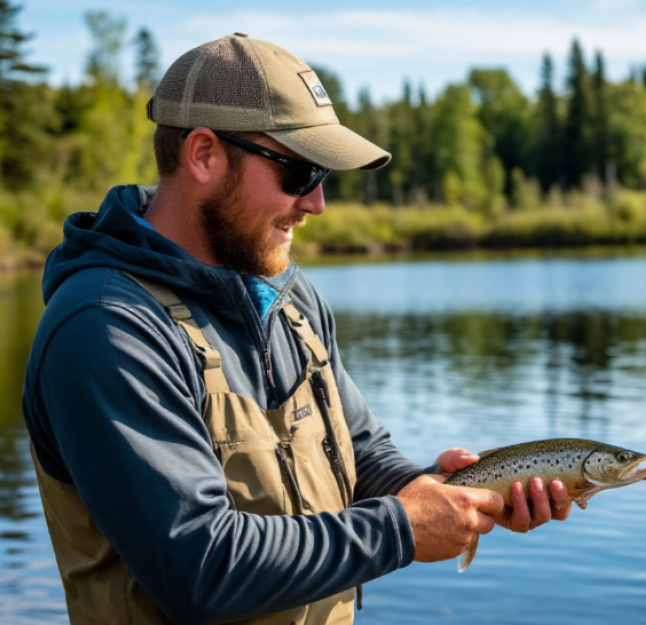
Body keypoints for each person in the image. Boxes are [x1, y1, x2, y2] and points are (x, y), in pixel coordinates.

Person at [23, 33, 572, 625]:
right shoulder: (106, 327)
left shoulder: (288, 295)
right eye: (299, 172)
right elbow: (200, 566)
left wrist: (447, 492)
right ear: (203, 154)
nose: (316, 204)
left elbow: (360, 452)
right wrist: (403, 528)